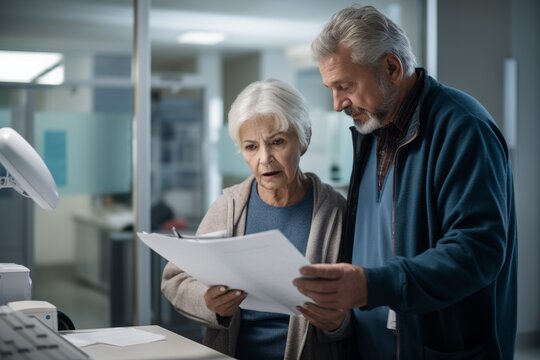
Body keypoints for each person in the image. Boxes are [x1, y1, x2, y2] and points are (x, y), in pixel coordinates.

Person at [293, 5, 518, 360]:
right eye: (331, 89)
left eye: (345, 86)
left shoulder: (463, 127)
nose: (337, 104)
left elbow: (478, 251)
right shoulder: (370, 131)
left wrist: (372, 285)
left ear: (392, 68)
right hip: (371, 344)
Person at [161, 78, 351, 360]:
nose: (265, 158)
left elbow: (365, 304)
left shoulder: (337, 212)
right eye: (251, 147)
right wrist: (209, 303)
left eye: (277, 142)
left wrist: (339, 324)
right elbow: (174, 280)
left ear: (305, 139)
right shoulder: (229, 206)